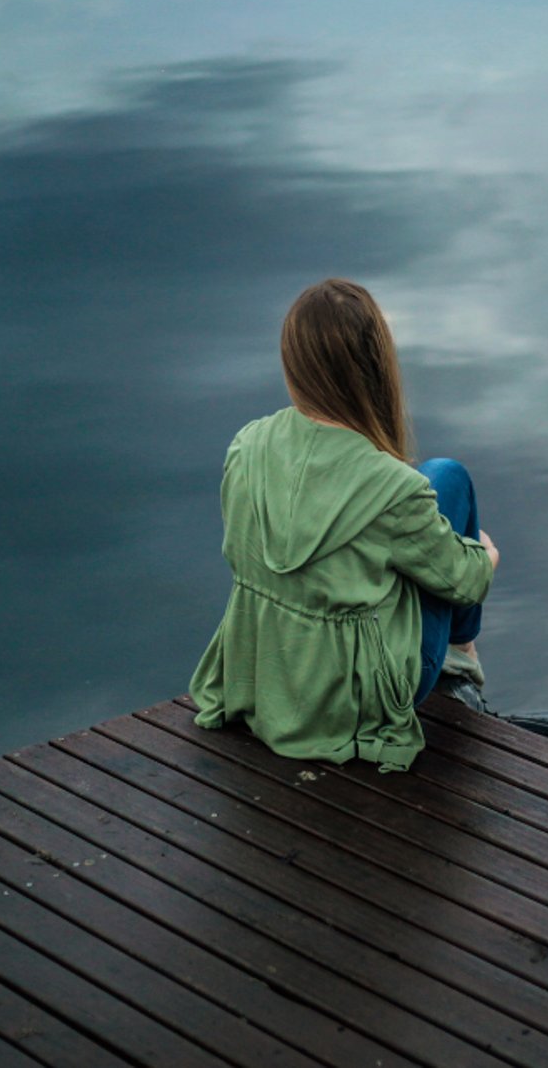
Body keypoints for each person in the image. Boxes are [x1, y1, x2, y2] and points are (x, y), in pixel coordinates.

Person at [188, 278, 500, 772]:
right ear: (375, 368)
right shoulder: (394, 488)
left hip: (267, 678)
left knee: (429, 488)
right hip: (354, 703)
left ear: (293, 366)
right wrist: (484, 554)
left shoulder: (246, 446)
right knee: (447, 477)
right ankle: (461, 658)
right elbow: (469, 582)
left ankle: (455, 652)